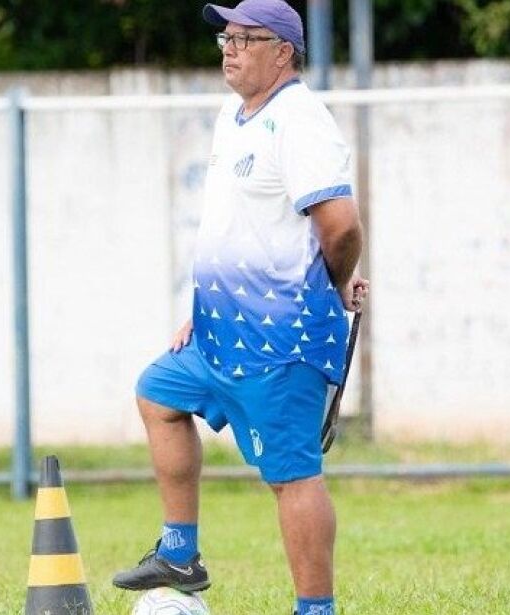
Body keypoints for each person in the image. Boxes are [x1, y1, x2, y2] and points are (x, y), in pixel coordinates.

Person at [112, 1, 367, 613]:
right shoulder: (235, 114)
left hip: (282, 339)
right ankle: (179, 552)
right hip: (219, 332)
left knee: (291, 476)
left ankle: (316, 608)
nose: (229, 48)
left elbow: (342, 225)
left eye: (245, 38)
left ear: (283, 51)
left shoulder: (301, 122)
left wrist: (335, 285)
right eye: (225, 37)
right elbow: (239, 228)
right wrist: (202, 311)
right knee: (158, 395)